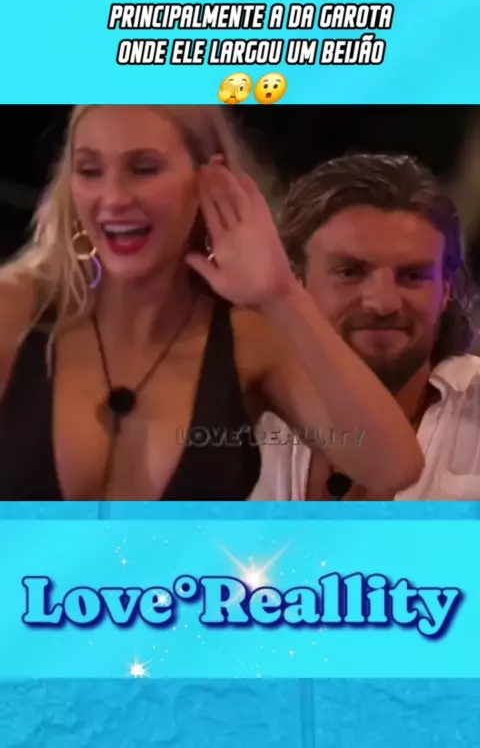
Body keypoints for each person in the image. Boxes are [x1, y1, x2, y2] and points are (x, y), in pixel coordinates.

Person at [0, 107, 423, 501]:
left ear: (211, 179)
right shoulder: (15, 308)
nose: (112, 198)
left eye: (143, 169)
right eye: (90, 171)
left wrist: (282, 295)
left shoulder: (250, 338)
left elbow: (392, 468)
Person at [257, 152, 480, 501]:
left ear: (446, 290)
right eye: (350, 272)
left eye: (413, 276)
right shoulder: (239, 412)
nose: (383, 303)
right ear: (295, 281)